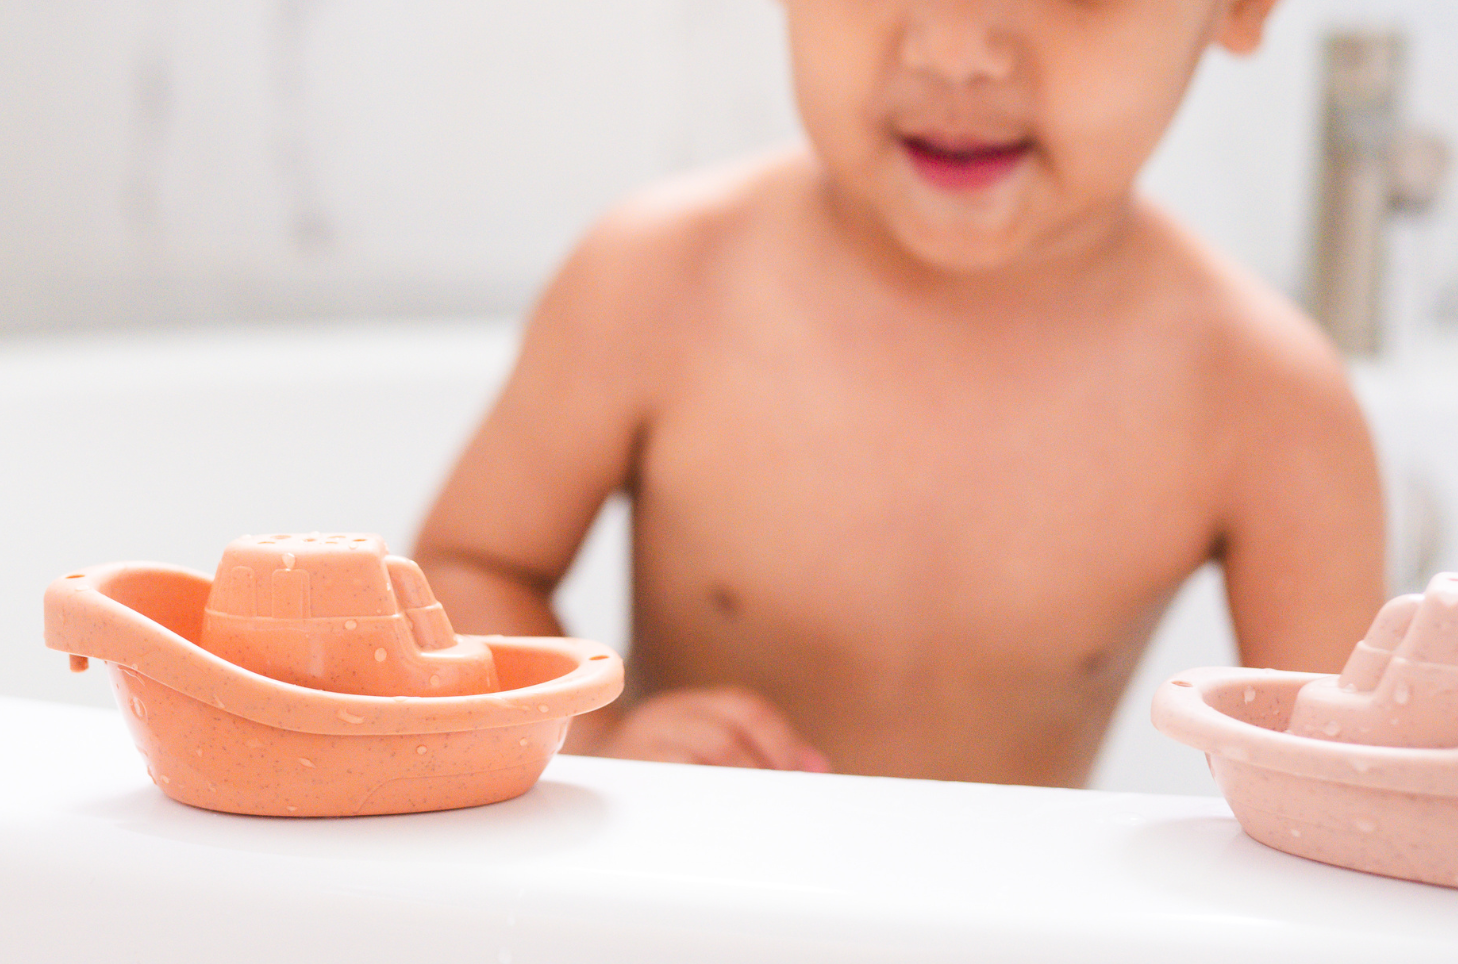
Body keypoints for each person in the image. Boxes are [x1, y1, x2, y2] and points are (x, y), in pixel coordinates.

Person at [412, 0, 1384, 785]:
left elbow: (1339, 795)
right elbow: (466, 568)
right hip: (690, 924)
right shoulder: (661, 284)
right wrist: (600, 747)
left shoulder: (1264, 404)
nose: (955, 47)